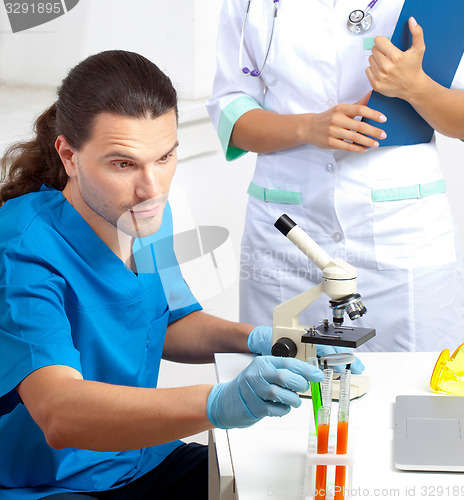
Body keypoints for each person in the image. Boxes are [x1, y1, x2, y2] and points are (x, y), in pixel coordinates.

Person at [0, 50, 365, 500]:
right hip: (48, 482)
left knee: (274, 489)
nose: (152, 188)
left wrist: (263, 338)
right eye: (123, 164)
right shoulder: (22, 246)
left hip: (139, 456)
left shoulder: (144, 215)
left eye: (165, 157)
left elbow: (168, 320)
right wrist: (219, 401)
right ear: (69, 156)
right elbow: (59, 412)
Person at [207, 0, 464, 352]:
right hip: (288, 238)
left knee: (424, 386)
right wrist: (307, 127)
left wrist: (416, 87)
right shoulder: (248, 4)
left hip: (403, 233)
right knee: (283, 387)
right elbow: (231, 112)